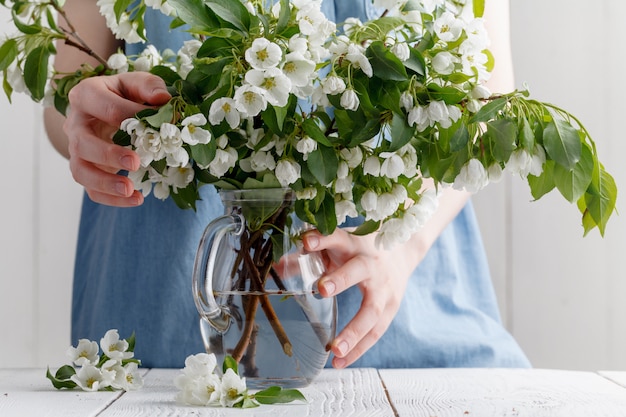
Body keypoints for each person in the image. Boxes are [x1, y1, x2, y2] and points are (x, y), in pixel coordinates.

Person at [44, 0, 530, 369]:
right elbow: (63, 100)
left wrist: (401, 246)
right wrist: (89, 123)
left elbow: (492, 116)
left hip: (416, 342)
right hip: (166, 337)